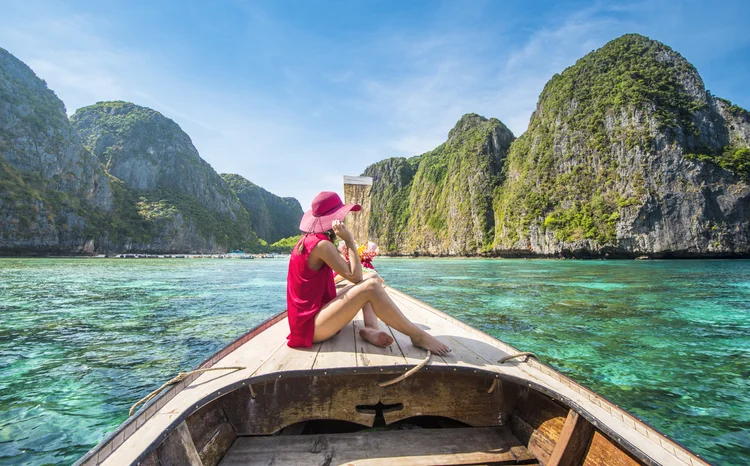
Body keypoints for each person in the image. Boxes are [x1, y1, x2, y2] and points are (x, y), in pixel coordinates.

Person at [286, 191, 451, 356]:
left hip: (316, 317)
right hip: (311, 328)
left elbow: (353, 275)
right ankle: (418, 336)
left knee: (371, 276)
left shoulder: (311, 240)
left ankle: (371, 328)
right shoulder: (321, 245)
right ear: (334, 218)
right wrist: (349, 240)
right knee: (370, 285)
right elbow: (355, 276)